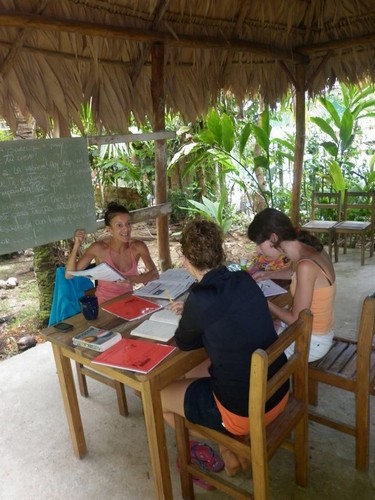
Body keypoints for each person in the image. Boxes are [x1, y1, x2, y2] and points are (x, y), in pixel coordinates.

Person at [161, 219, 289, 477]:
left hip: (247, 412)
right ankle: (230, 449)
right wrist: (198, 315)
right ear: (220, 252)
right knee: (196, 372)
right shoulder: (243, 278)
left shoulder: (200, 297)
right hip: (277, 393)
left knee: (157, 396)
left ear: (185, 260)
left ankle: (231, 448)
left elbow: (186, 342)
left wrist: (194, 315)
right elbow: (229, 313)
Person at [247, 207, 336, 362]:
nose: (258, 251)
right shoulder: (310, 251)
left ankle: (272, 383)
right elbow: (296, 275)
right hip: (318, 330)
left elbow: (296, 321)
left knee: (249, 348)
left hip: (312, 341)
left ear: (273, 238)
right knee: (262, 327)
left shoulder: (305, 266)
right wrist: (269, 274)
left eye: (259, 244)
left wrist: (262, 300)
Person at [65, 202, 159, 304]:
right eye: (119, 225)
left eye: (128, 223)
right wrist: (76, 246)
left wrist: (132, 279)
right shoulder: (98, 248)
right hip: (104, 305)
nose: (126, 229)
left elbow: (154, 274)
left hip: (129, 302)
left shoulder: (138, 247)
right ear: (109, 229)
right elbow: (69, 275)